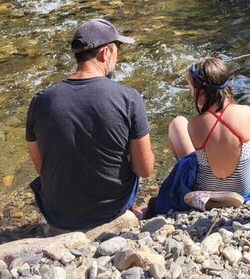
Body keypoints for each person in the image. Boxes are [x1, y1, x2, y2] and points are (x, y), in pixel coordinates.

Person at [25, 18, 154, 232]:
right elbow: (145, 169)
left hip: (58, 214)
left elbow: (42, 167)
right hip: (111, 210)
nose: (117, 57)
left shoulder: (40, 100)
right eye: (117, 49)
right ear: (105, 53)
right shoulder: (129, 98)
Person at [167, 57, 250, 211]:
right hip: (244, 190)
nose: (191, 94)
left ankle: (209, 197)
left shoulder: (194, 124)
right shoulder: (248, 112)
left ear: (201, 93)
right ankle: (231, 190)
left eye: (191, 90)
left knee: (177, 123)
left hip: (205, 189)